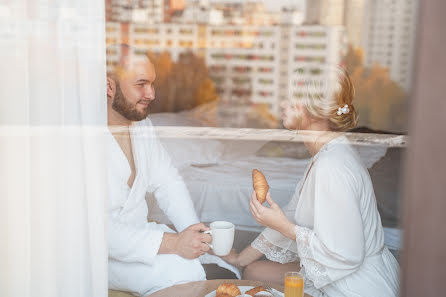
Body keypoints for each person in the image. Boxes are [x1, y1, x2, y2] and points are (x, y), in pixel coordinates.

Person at [222, 66, 400, 297]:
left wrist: (285, 228)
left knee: (256, 280)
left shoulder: (332, 166)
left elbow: (346, 254)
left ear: (315, 112)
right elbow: (292, 214)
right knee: (254, 270)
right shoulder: (325, 154)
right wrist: (239, 258)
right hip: (341, 271)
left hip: (353, 285)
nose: (283, 104)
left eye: (291, 100)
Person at [106, 44, 213, 296]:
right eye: (141, 84)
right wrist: (175, 243)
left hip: (139, 240)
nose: (151, 94)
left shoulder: (142, 127)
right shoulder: (81, 141)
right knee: (186, 274)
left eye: (152, 84)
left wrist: (194, 233)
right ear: (108, 86)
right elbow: (96, 231)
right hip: (99, 254)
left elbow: (167, 182)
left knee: (207, 264)